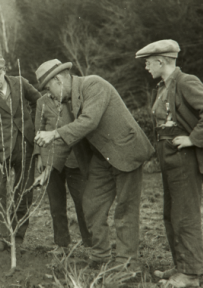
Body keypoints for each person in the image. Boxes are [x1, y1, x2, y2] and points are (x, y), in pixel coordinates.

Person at [34, 59, 154, 270]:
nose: (49, 95)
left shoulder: (93, 84)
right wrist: (49, 168)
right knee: (90, 202)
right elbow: (69, 139)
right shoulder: (67, 101)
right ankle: (100, 256)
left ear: (58, 79)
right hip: (102, 157)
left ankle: (127, 262)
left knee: (125, 209)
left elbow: (89, 121)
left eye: (48, 88)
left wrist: (53, 133)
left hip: (125, 152)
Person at [136, 40, 203, 287]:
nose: (146, 66)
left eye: (148, 62)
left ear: (161, 61)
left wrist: (193, 139)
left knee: (185, 215)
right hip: (172, 159)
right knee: (172, 215)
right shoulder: (165, 86)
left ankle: (190, 274)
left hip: (185, 160)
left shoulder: (185, 81)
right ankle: (181, 266)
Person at [0, 54, 41, 253]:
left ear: (5, 70)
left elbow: (39, 101)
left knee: (25, 191)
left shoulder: (20, 83)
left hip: (25, 144)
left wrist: (35, 127)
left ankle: (17, 235)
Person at [33, 72, 92, 254]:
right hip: (51, 160)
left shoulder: (74, 100)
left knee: (83, 202)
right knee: (56, 204)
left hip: (75, 160)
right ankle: (61, 244)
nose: (49, 92)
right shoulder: (42, 103)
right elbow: (39, 130)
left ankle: (90, 244)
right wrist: (39, 156)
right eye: (46, 89)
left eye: (49, 86)